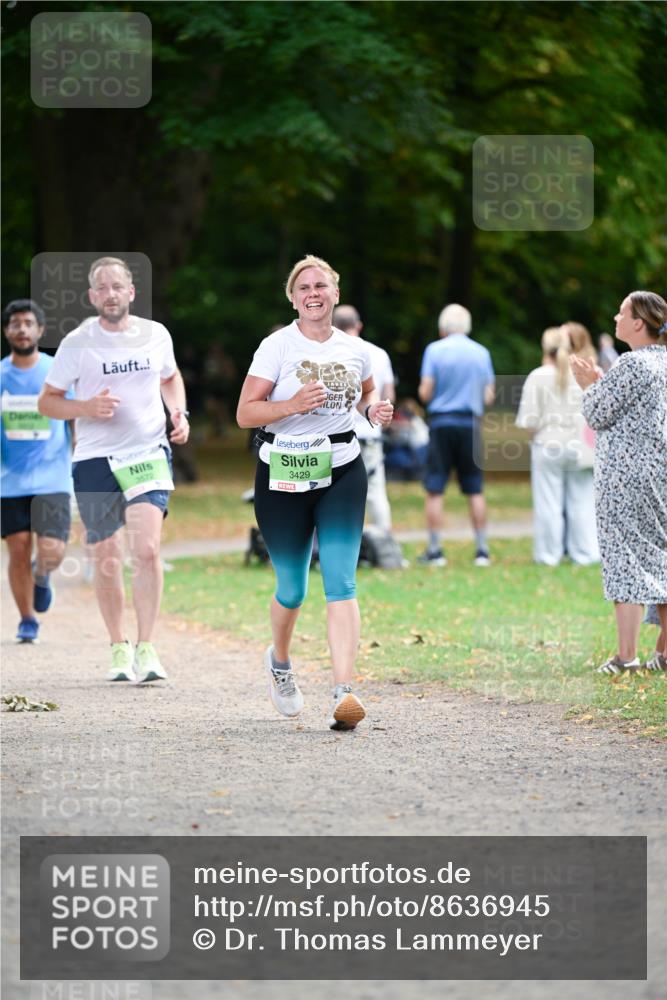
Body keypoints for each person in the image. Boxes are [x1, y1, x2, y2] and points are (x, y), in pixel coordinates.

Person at [236, 255, 393, 730]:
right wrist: (290, 404)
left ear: (335, 293)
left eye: (320, 285)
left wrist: (373, 411)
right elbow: (245, 413)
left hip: (342, 469)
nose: (312, 293)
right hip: (283, 472)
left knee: (341, 582)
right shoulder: (276, 347)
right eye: (303, 287)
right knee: (293, 587)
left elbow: (366, 394)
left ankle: (344, 692)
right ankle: (280, 663)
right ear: (292, 298)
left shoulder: (355, 349)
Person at [38, 257, 190, 683]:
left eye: (117, 286)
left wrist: (179, 412)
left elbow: (170, 377)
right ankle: (118, 646)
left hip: (147, 453)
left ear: (131, 292)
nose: (110, 294)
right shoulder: (77, 343)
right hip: (94, 459)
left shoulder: (155, 335)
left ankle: (147, 646)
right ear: (92, 296)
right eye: (102, 288)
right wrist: (85, 407)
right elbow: (47, 402)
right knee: (106, 557)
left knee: (147, 550)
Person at [571, 290, 667, 674]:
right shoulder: (662, 361)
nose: (616, 317)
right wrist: (601, 381)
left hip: (625, 479)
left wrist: (587, 384)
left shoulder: (631, 363)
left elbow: (597, 413)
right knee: (661, 555)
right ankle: (664, 652)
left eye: (622, 313)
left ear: (638, 323)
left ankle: (626, 657)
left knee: (624, 559)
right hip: (659, 473)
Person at [1, 299, 72, 643]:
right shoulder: (1, 375)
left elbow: (75, 414)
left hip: (52, 477)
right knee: (17, 548)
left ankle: (42, 576)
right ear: (6, 331)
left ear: (40, 330)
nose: (22, 329)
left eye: (28, 323)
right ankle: (27, 619)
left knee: (52, 550)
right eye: (15, 324)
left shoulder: (56, 371)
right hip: (8, 481)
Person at [417, 303, 495, 566]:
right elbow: (488, 395)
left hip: (441, 422)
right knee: (474, 488)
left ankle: (435, 550)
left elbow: (426, 392)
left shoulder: (434, 350)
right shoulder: (481, 352)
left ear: (443, 327)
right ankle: (482, 550)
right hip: (469, 424)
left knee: (435, 488)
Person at [516, 326, 599, 566]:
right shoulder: (585, 375)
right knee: (581, 502)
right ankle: (584, 553)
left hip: (547, 445)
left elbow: (529, 421)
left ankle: (548, 555)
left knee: (548, 503)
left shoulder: (538, 376)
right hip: (580, 447)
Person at [332, 304, 395, 532]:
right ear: (358, 325)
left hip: (337, 436)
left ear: (333, 325)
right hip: (370, 433)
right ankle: (385, 541)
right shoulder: (379, 353)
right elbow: (388, 396)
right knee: (375, 492)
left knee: (333, 494)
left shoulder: (329, 353)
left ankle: (333, 542)